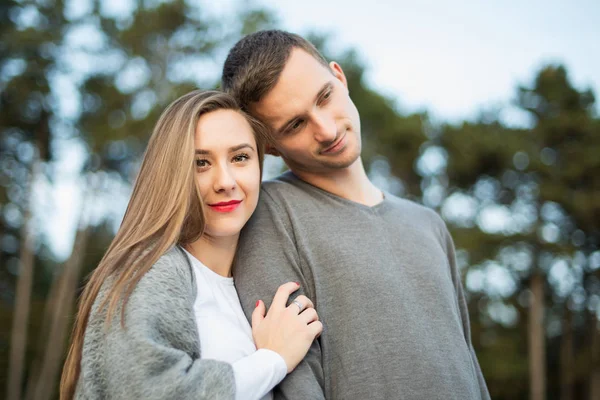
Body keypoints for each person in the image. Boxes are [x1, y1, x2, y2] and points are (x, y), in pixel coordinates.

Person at [222, 30, 491, 399]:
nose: (327, 130)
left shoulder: (429, 224)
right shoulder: (268, 214)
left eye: (325, 97)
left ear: (339, 77)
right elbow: (292, 382)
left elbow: (469, 366)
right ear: (269, 146)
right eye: (296, 125)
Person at [60, 90, 323, 400]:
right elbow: (150, 391)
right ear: (172, 173)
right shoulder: (150, 271)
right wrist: (272, 360)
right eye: (201, 163)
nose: (225, 181)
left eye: (240, 157)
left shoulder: (252, 280)